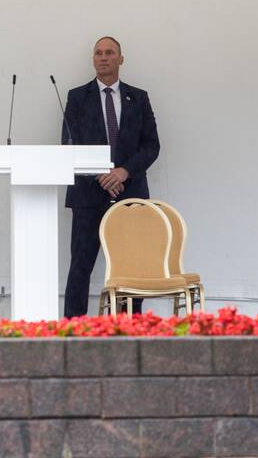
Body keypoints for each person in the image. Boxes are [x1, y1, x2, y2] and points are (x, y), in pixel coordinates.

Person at [62, 36, 160, 317]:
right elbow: (70, 145)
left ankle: (129, 327)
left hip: (130, 194)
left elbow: (152, 145)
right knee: (80, 266)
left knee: (132, 267)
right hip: (88, 196)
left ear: (121, 58)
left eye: (109, 53)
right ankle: (73, 330)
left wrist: (123, 172)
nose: (103, 57)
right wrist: (101, 175)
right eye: (98, 53)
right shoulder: (76, 97)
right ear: (93, 59)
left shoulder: (138, 98)